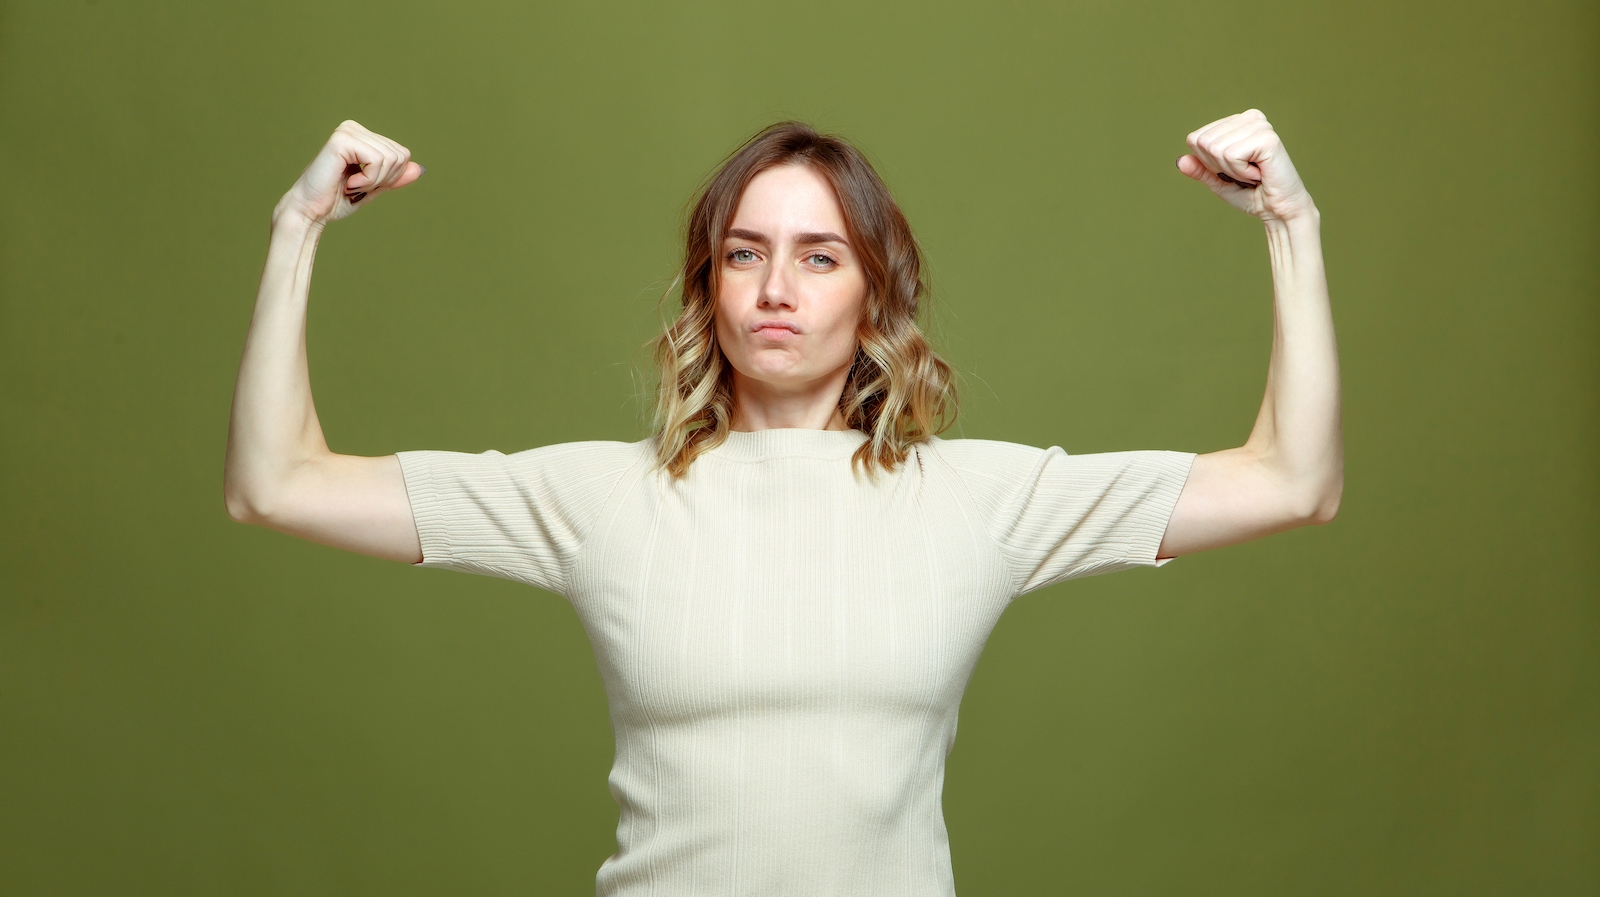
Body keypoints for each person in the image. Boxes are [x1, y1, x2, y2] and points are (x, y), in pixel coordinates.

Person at [225, 112, 1340, 896]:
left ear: (874, 291)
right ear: (707, 288)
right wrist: (296, 228)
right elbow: (279, 483)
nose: (773, 290)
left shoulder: (978, 499)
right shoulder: (600, 498)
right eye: (743, 253)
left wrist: (1293, 227)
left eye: (819, 257)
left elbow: (1292, 479)